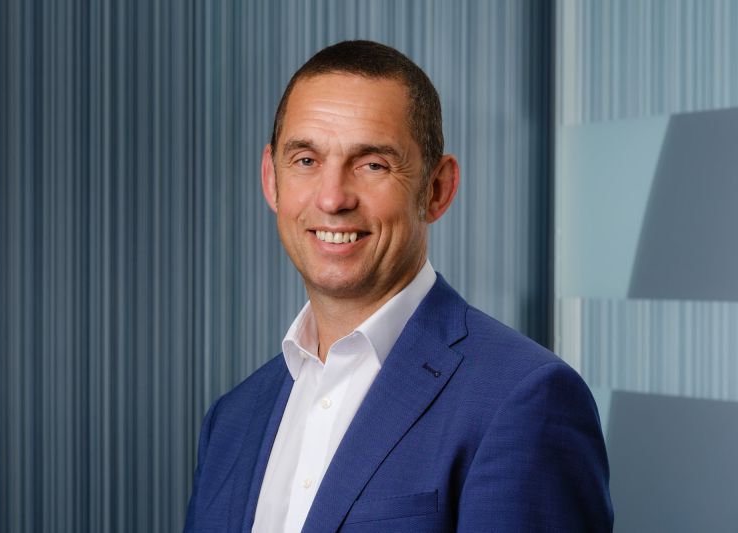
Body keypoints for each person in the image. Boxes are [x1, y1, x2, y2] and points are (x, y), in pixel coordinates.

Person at [184, 40, 613, 533]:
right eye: (305, 160)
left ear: (436, 190)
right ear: (271, 179)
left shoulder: (523, 400)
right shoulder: (232, 420)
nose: (333, 198)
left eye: (372, 164)